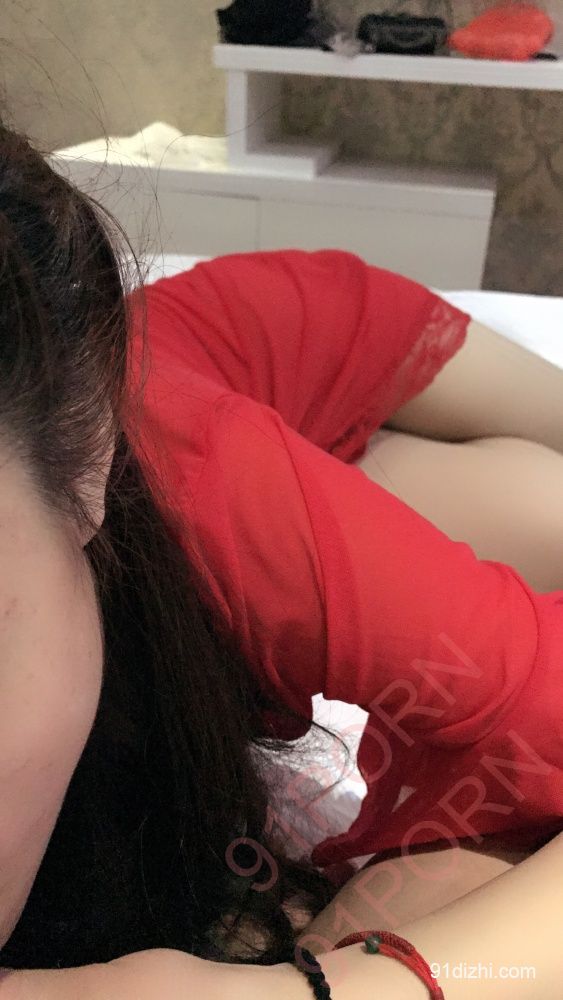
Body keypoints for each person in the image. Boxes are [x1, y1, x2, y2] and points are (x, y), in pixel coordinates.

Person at [1, 119, 563, 998]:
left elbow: (532, 696)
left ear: (86, 466)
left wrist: (315, 990)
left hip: (315, 335)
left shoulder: (208, 491)